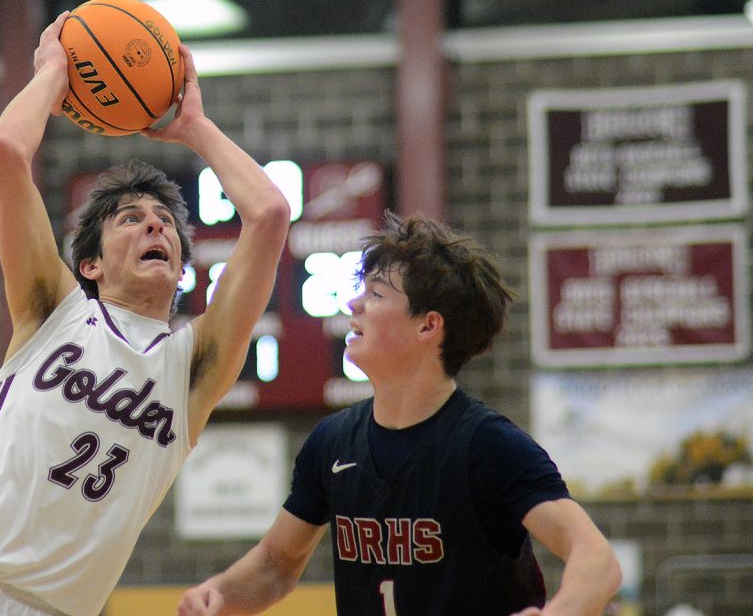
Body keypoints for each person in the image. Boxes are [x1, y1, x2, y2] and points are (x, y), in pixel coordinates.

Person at [0, 11, 291, 616]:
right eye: (131, 219)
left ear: (180, 269)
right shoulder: (54, 311)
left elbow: (271, 214)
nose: (155, 224)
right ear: (89, 266)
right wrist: (53, 71)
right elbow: (6, 151)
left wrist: (195, 127)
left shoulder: (192, 366)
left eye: (166, 223)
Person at [177, 212, 622, 616]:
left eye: (374, 294)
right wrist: (219, 594)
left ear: (428, 325)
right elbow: (277, 565)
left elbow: (596, 559)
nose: (353, 305)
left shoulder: (489, 445)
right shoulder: (332, 442)